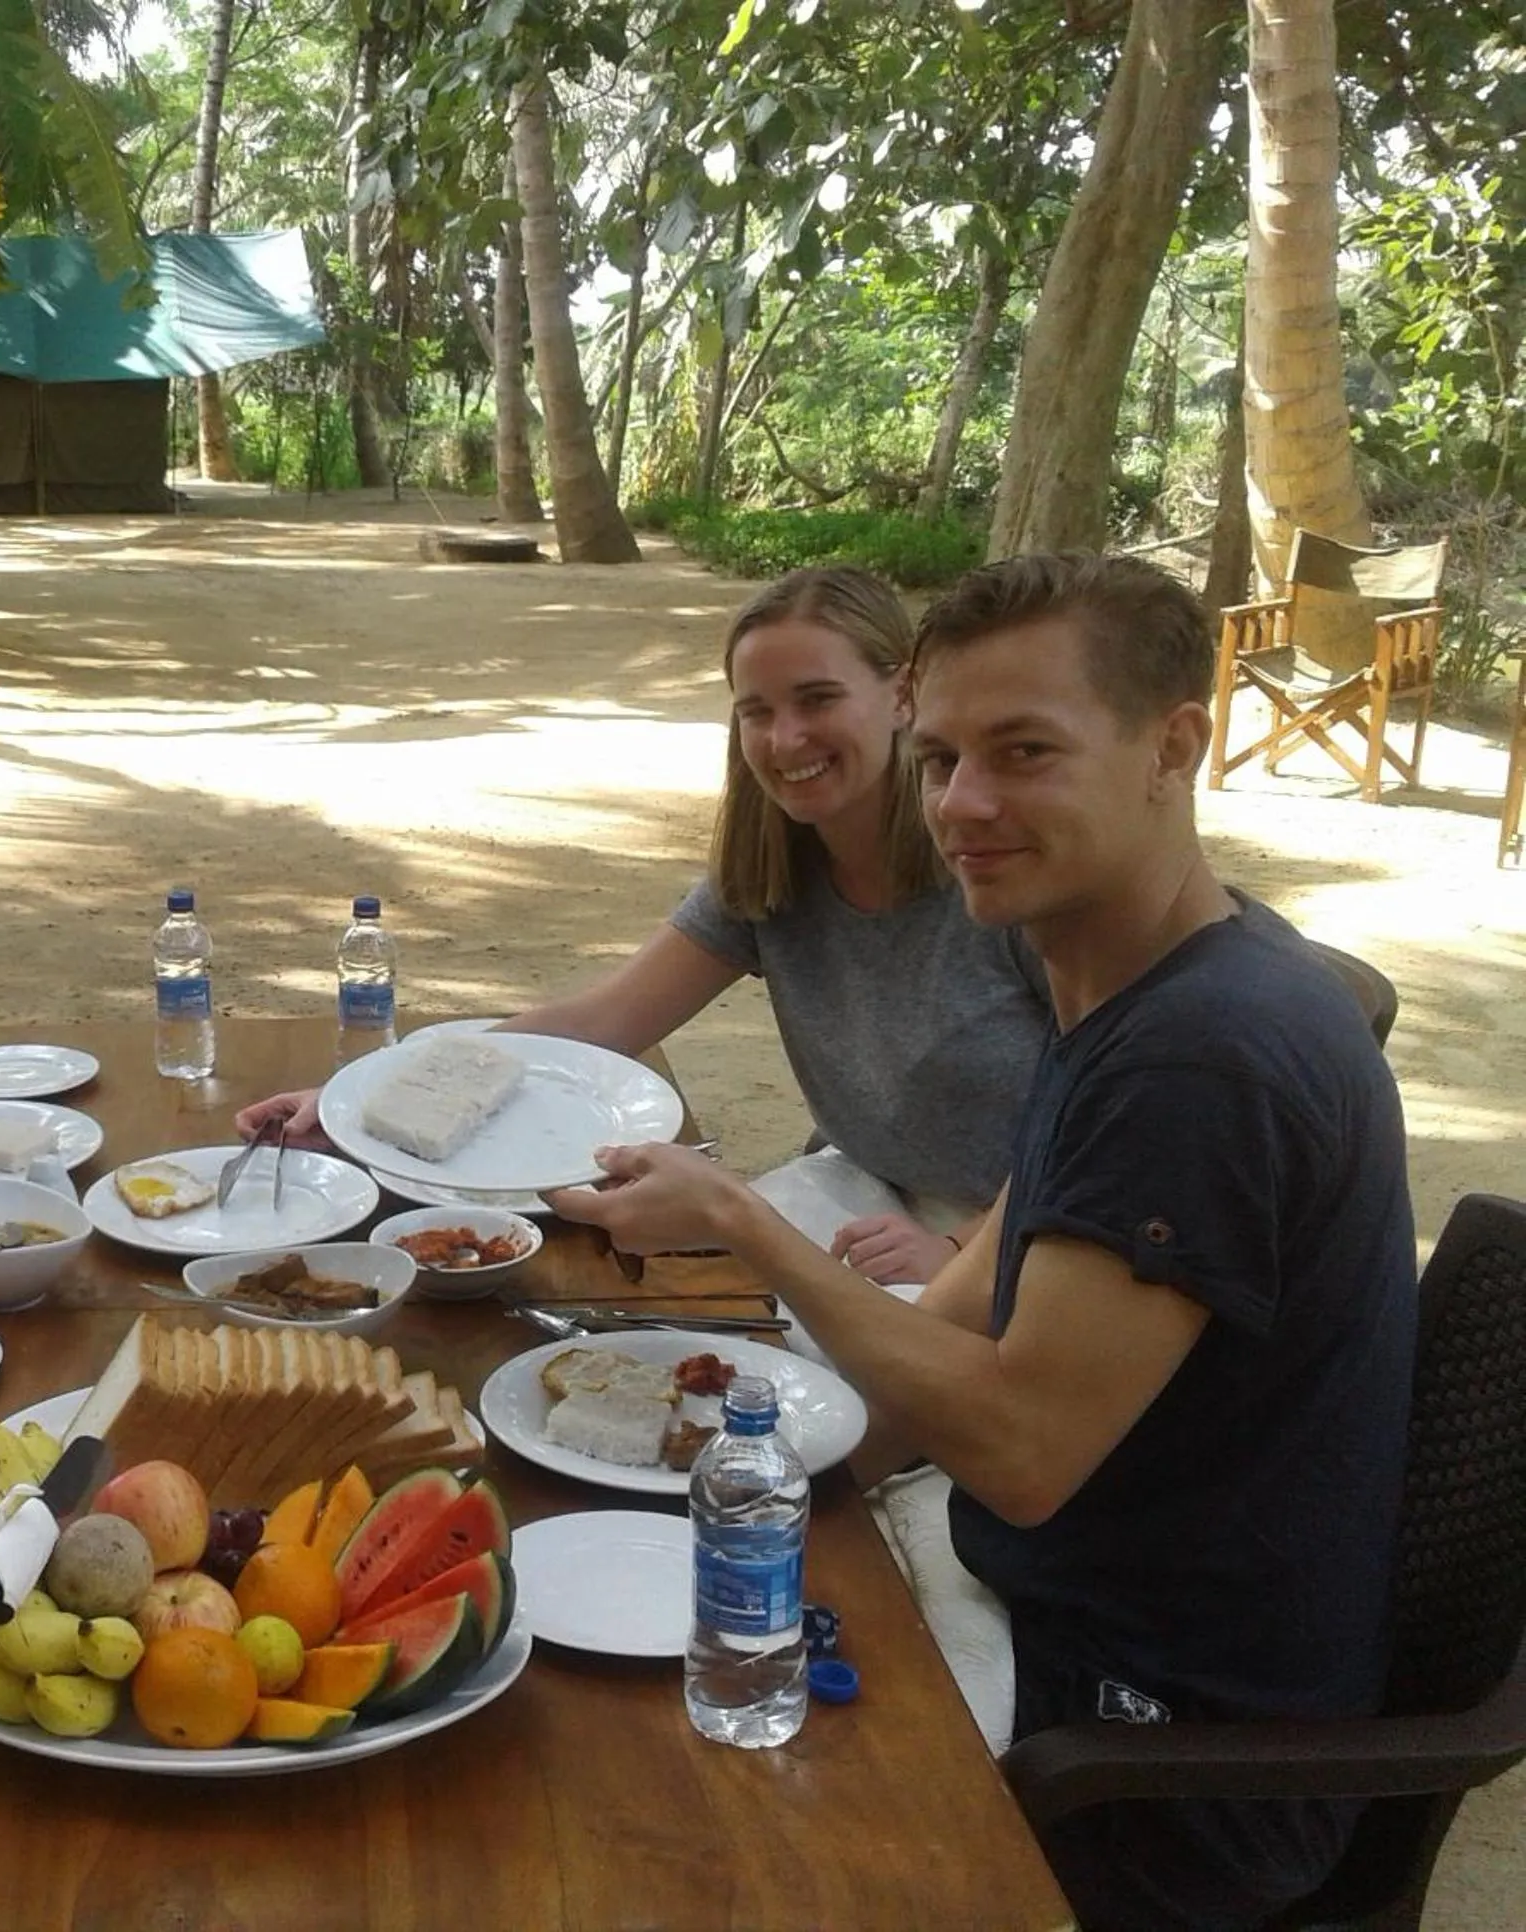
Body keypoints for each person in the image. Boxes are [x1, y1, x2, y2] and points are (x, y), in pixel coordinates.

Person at [549, 554, 1417, 1931]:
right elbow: (993, 1336)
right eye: (945, 755)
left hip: (1153, 1738)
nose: (963, 805)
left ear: (1172, 746)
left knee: (647, 1819)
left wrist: (746, 1227)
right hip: (1067, 1593)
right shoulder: (1133, 979)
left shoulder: (1201, 1063)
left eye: (1025, 753)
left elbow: (1017, 1453)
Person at [240, 565, 1050, 1284]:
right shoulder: (770, 875)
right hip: (858, 1192)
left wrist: (967, 1252)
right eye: (756, 711)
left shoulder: (990, 868)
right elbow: (598, 1022)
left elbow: (1105, 1114)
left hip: (1024, 1231)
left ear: (902, 694)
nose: (785, 739)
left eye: (818, 699)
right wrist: (360, 1095)